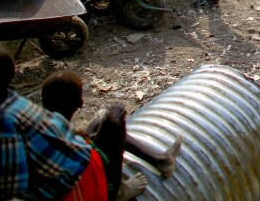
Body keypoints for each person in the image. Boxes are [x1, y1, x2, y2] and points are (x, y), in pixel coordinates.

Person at [0, 46, 110, 201]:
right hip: (83, 163)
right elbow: (22, 148)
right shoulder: (15, 102)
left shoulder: (6, 121)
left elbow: (6, 188)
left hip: (79, 183)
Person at [41, 71, 182, 198]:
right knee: (113, 123)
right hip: (83, 192)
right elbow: (90, 160)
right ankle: (117, 190)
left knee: (97, 124)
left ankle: (161, 160)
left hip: (64, 180)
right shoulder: (71, 145)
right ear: (81, 103)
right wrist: (113, 122)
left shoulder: (40, 130)